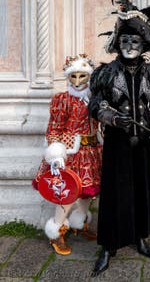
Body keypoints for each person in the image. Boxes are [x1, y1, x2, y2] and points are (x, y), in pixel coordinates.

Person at [88, 0, 150, 276]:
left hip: (143, 144)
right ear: (118, 44)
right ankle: (108, 245)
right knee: (115, 194)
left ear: (143, 45)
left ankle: (140, 236)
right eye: (125, 41)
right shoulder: (105, 73)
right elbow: (94, 105)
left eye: (135, 42)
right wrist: (113, 117)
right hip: (116, 143)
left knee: (141, 189)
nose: (130, 46)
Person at [32, 54, 102, 255]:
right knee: (68, 192)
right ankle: (56, 231)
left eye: (83, 76)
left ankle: (79, 222)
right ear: (68, 77)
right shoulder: (62, 100)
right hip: (71, 153)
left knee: (89, 190)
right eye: (74, 76)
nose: (78, 81)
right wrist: (56, 153)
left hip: (92, 151)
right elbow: (53, 129)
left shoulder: (96, 99)